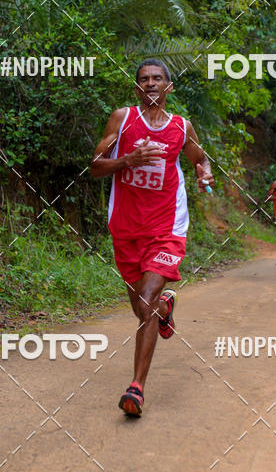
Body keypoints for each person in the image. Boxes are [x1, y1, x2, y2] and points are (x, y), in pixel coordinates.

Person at [90, 59, 213, 417]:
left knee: (144, 300)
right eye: (144, 79)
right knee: (141, 309)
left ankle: (136, 388)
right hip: (126, 230)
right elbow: (95, 166)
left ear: (168, 87)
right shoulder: (122, 119)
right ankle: (165, 308)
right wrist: (128, 160)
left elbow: (199, 158)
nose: (151, 83)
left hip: (167, 228)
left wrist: (203, 173)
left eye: (157, 78)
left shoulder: (180, 126)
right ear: (136, 88)